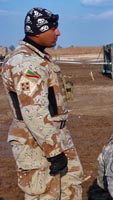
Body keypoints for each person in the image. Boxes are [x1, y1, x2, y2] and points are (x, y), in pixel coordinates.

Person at [1, 8, 83, 199]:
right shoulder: (26, 63)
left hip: (54, 137)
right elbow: (33, 111)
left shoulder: (38, 58)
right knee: (45, 194)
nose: (58, 32)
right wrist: (54, 152)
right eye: (53, 28)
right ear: (38, 31)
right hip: (37, 144)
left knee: (69, 189)